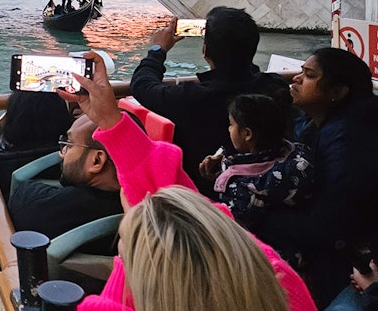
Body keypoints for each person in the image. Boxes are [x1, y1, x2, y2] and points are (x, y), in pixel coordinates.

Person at [58, 52, 316, 311]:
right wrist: (111, 121)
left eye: (127, 241)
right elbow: (194, 219)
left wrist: (126, 267)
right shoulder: (273, 281)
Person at [257, 48, 378, 308]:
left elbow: (329, 222)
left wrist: (259, 219)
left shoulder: (352, 141)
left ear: (337, 93)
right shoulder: (314, 125)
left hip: (348, 262)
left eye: (309, 75)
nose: (296, 79)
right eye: (300, 72)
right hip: (323, 248)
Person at [129, 7, 290, 197]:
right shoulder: (276, 87)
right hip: (270, 191)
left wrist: (158, 49)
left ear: (205, 51)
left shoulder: (192, 98)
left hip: (204, 198)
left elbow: (142, 85)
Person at [198, 93, 314, 232]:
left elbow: (230, 230)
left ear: (247, 134)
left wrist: (222, 180)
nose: (229, 129)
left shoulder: (240, 188)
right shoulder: (299, 153)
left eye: (231, 125)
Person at [8, 114, 122, 239]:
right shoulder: (135, 210)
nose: (62, 153)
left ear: (96, 161)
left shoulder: (43, 209)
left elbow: (25, 201)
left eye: (70, 144)